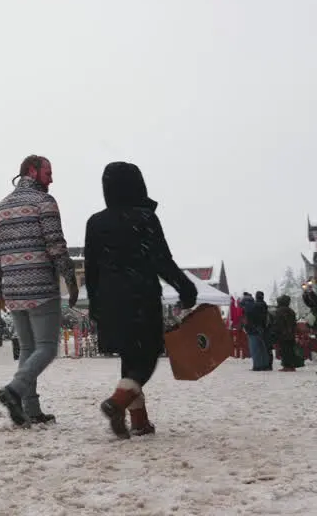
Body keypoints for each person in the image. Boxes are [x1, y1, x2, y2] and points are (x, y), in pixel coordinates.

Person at [85, 162, 197, 439]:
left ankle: (139, 421)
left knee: (129, 357)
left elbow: (91, 270)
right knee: (145, 359)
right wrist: (185, 288)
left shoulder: (95, 222)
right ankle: (118, 401)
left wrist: (96, 305)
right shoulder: (144, 218)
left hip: (110, 300)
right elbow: (162, 260)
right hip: (141, 297)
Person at [0, 155, 77, 427]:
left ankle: (29, 410)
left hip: (13, 291)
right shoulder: (44, 203)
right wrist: (71, 280)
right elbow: (56, 245)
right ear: (32, 171)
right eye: (48, 172)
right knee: (47, 348)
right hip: (40, 287)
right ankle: (14, 390)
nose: (51, 178)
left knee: (28, 348)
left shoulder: (0, 209)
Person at [274, 295, 302, 372]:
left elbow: (278, 323)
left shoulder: (279, 311)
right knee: (290, 349)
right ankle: (291, 365)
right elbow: (294, 323)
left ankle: (287, 365)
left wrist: (277, 332)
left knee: (284, 350)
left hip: (283, 334)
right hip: (291, 333)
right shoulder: (291, 311)